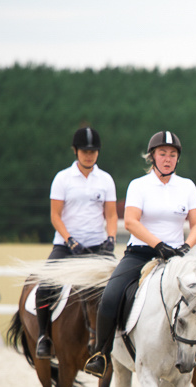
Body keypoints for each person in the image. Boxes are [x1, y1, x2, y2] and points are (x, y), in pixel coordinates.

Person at [84, 131, 196, 378]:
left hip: (178, 256)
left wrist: (186, 246)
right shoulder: (138, 185)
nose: (168, 159)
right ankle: (101, 353)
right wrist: (158, 244)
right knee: (111, 295)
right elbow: (131, 222)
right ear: (152, 156)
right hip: (142, 253)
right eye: (162, 153)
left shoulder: (187, 186)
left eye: (173, 154)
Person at [37, 126, 118, 359]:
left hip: (97, 246)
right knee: (45, 287)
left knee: (118, 287)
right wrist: (70, 240)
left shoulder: (105, 180)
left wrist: (111, 239)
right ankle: (44, 336)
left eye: (93, 151)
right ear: (75, 151)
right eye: (84, 150)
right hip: (66, 246)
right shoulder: (62, 178)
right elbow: (55, 215)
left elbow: (111, 215)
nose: (89, 155)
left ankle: (119, 337)